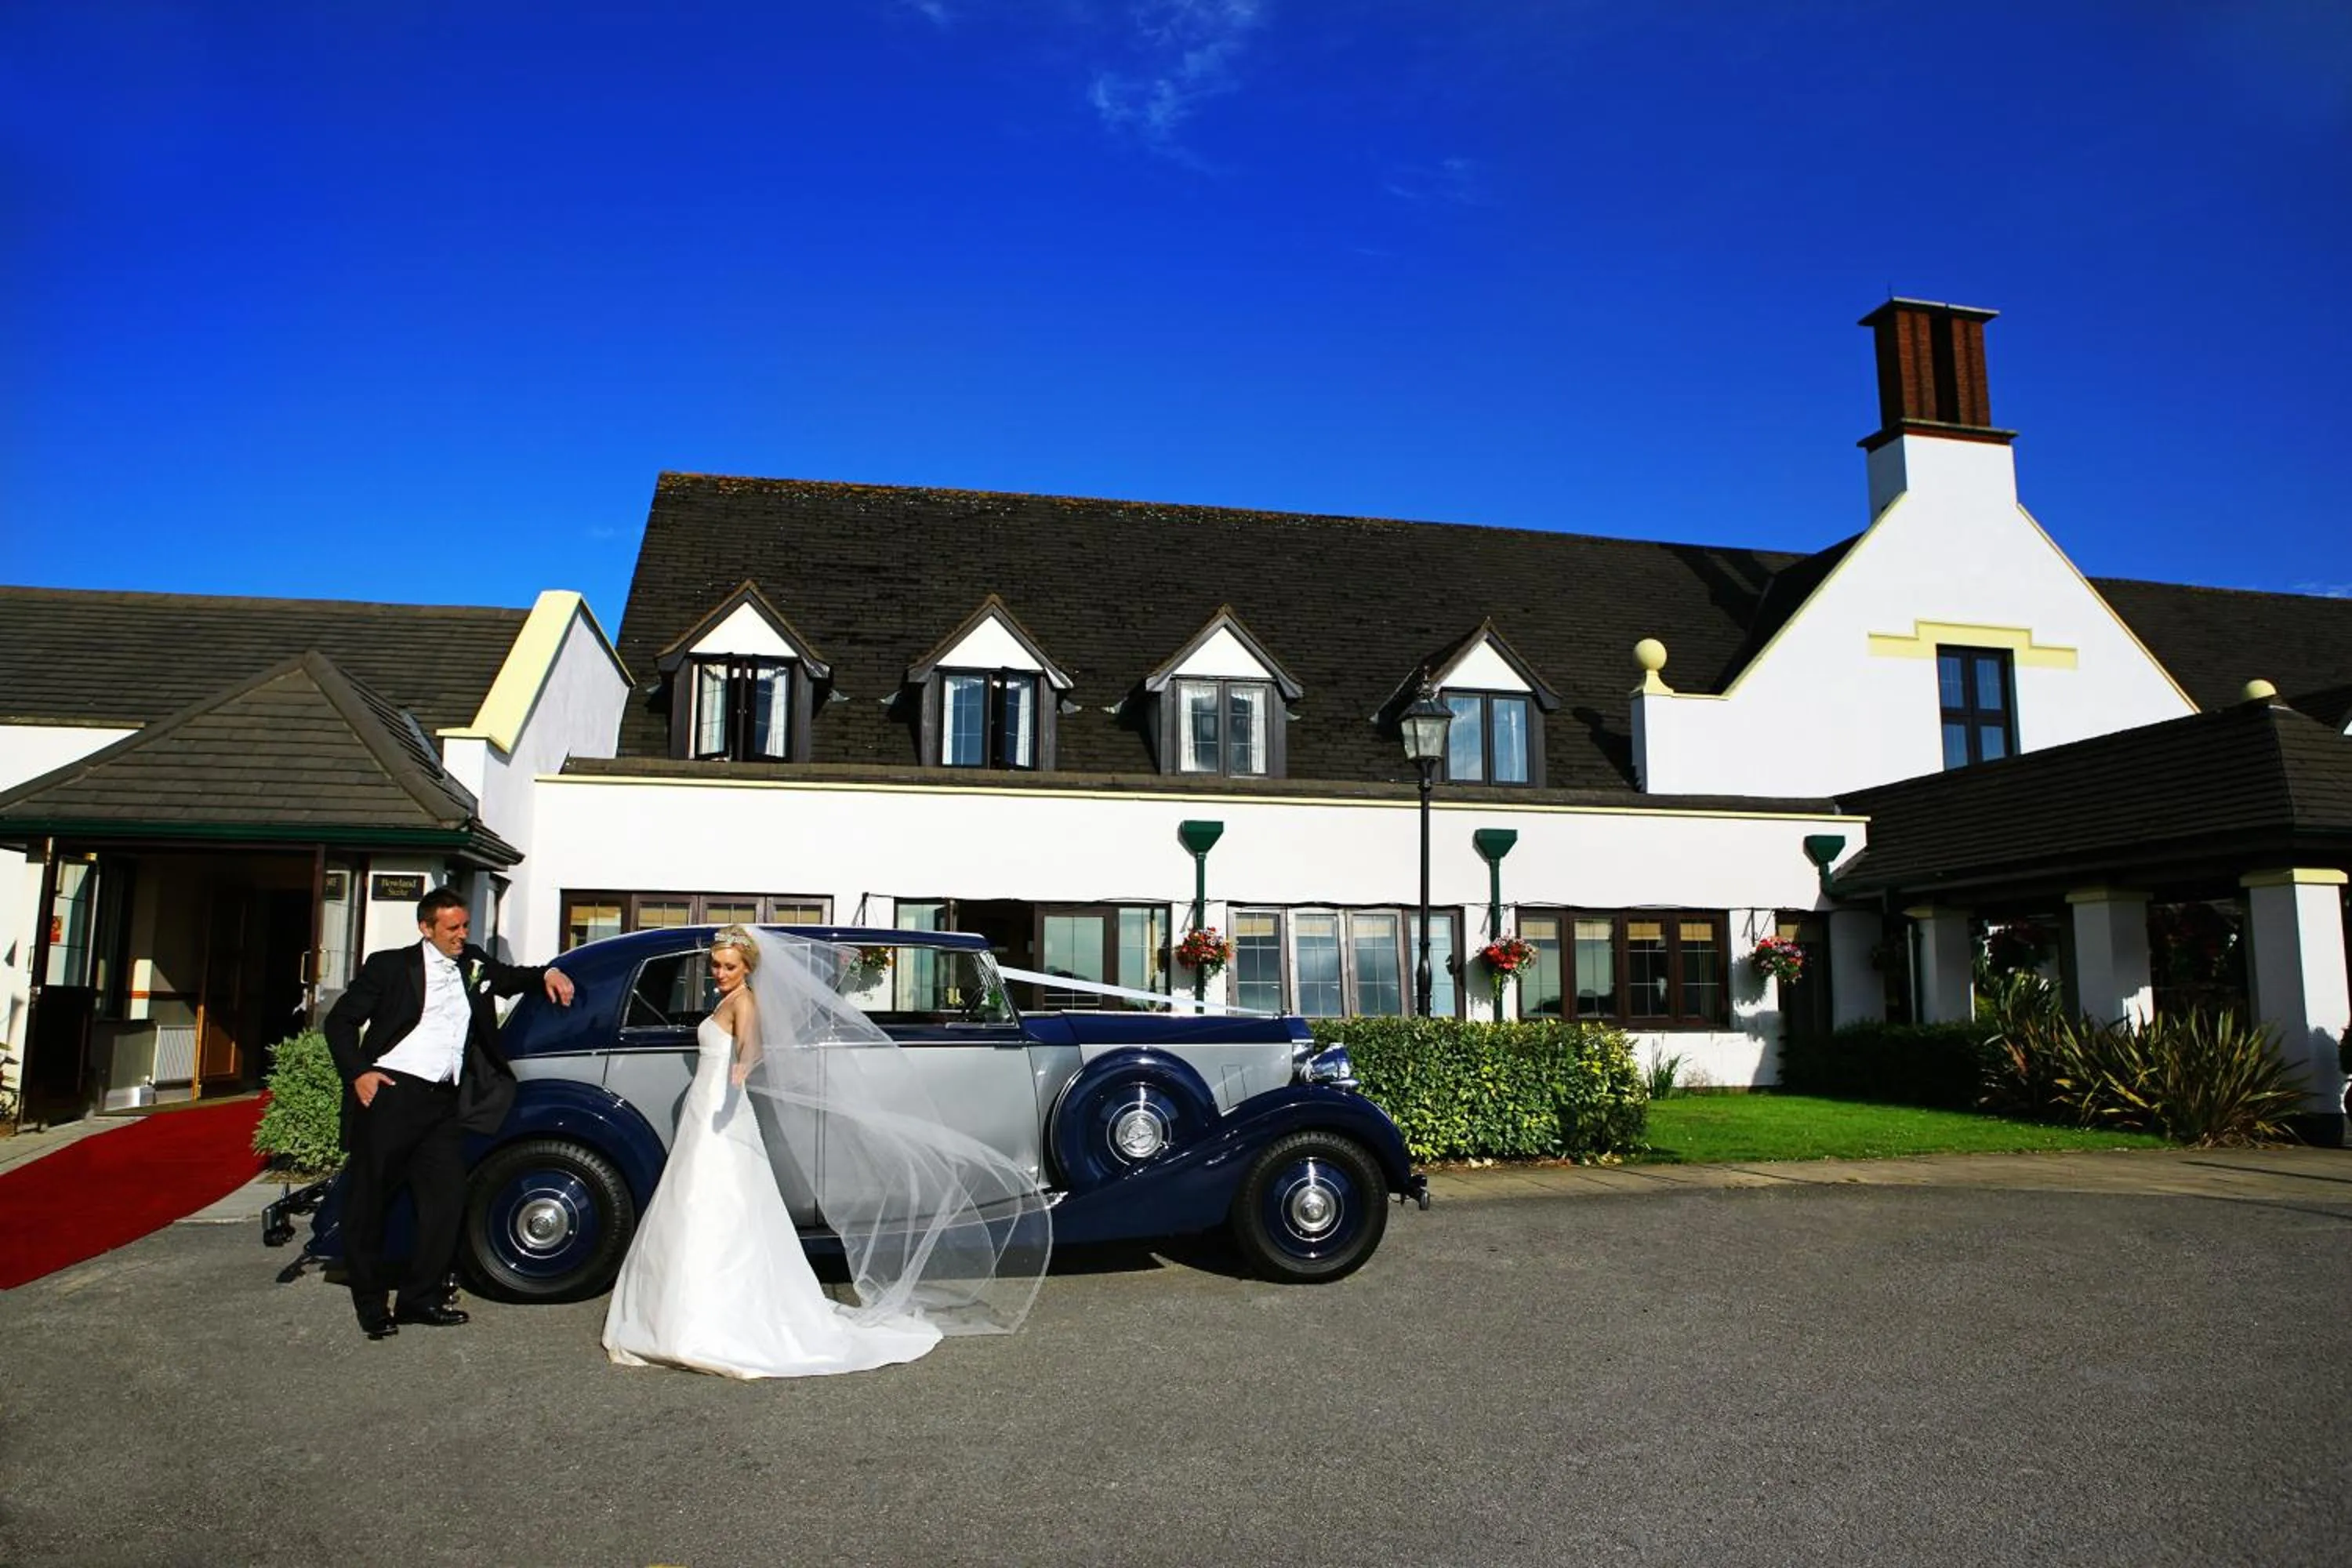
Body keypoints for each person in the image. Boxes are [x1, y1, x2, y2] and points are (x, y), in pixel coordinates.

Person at [601, 926, 945, 1378]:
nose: (720, 974)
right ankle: (673, 1311)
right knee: (692, 1198)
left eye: (729, 967)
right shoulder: (724, 1000)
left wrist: (744, 1063)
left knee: (711, 1197)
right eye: (716, 967)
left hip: (722, 1109)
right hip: (705, 1109)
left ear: (747, 968)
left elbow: (753, 1043)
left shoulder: (745, 1001)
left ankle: (699, 1317)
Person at [323, 886, 574, 1340]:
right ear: (427, 928)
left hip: (442, 1103)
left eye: (465, 926)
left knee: (445, 1200)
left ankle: (420, 1298)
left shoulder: (473, 963)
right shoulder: (390, 966)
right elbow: (339, 1022)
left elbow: (510, 976)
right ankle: (371, 1303)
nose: (462, 935)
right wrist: (359, 1073)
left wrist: (550, 973)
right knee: (370, 1200)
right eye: (452, 928)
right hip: (391, 1095)